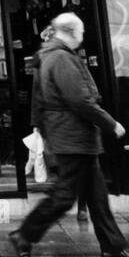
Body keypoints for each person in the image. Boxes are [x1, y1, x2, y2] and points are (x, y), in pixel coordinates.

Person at [8, 13, 129, 257]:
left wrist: (39, 127)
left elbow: (38, 99)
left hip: (70, 134)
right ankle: (24, 235)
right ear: (71, 32)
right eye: (80, 32)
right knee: (65, 195)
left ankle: (112, 246)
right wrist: (110, 123)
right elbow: (78, 99)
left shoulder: (47, 56)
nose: (83, 36)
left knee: (97, 196)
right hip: (73, 135)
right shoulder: (61, 58)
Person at [31, 25, 88, 223]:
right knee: (71, 175)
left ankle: (82, 208)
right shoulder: (58, 58)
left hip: (69, 127)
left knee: (75, 175)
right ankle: (28, 232)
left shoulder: (56, 58)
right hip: (69, 126)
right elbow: (80, 96)